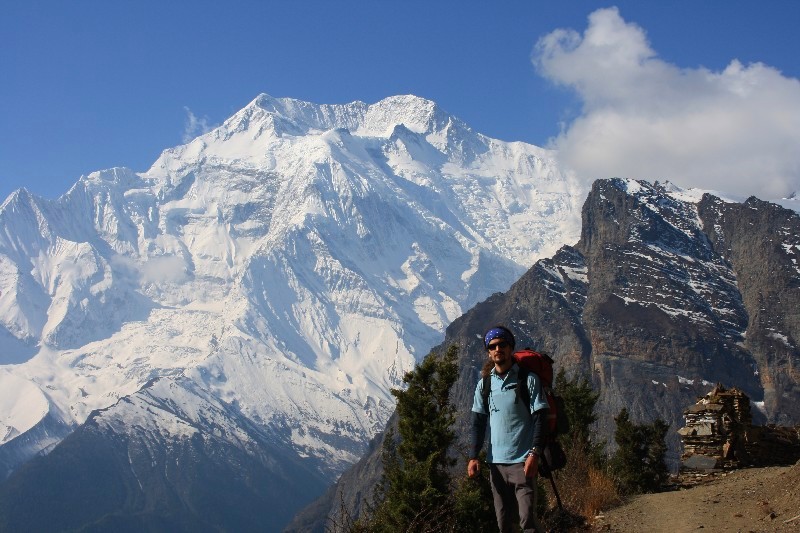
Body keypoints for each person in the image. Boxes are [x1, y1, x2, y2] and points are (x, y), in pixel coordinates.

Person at [468, 325, 548, 533]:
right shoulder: (484, 385)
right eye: (492, 346)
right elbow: (478, 422)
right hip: (496, 464)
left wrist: (534, 453)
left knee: (527, 523)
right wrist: (473, 456)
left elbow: (541, 418)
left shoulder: (528, 380)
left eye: (502, 344)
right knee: (504, 525)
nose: (497, 349)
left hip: (523, 462)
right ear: (488, 352)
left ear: (510, 347)